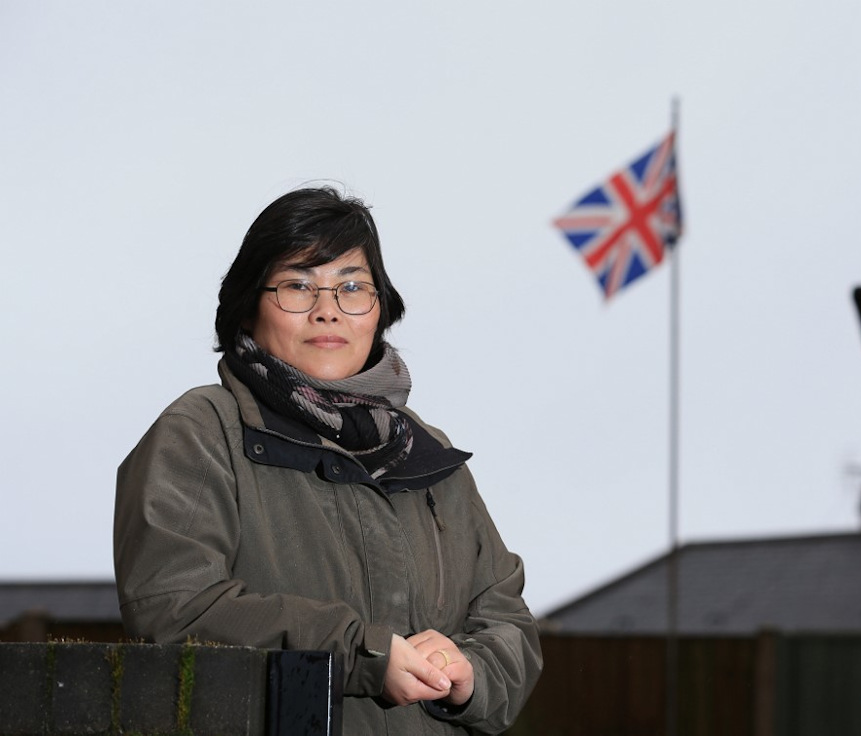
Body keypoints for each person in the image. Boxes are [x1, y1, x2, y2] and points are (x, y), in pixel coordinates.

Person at [113, 186, 543, 734]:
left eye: (352, 287)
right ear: (247, 305)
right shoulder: (201, 431)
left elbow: (507, 618)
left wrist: (471, 671)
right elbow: (173, 606)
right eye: (297, 286)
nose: (327, 312)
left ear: (379, 309)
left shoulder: (426, 451)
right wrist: (361, 651)